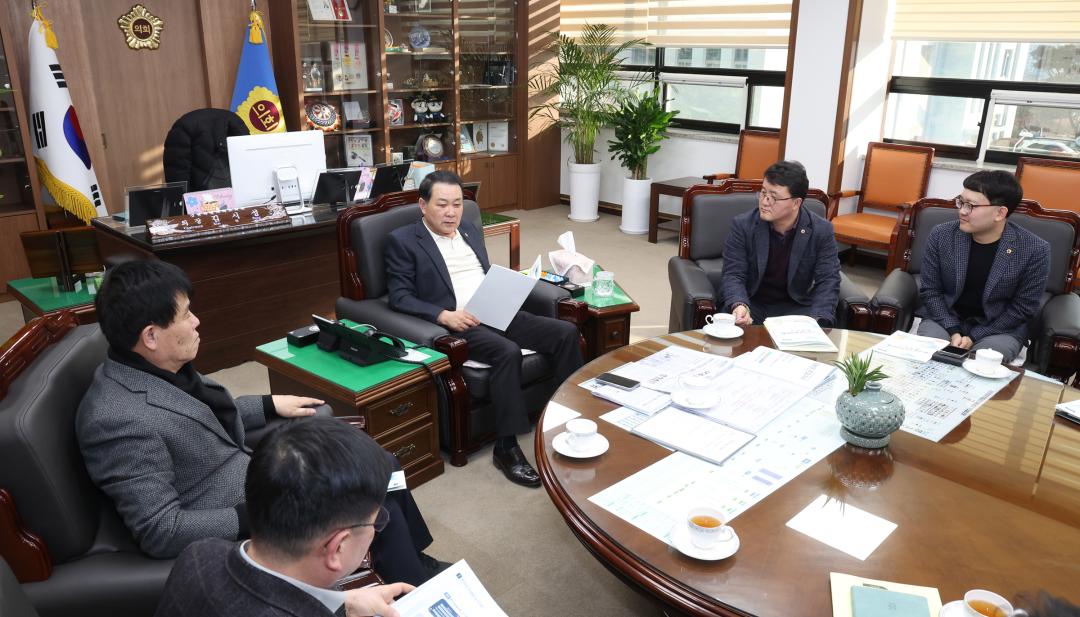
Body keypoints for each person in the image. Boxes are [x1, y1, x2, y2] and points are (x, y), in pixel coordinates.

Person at [76, 259, 446, 585]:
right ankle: (412, 583)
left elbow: (199, 417)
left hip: (257, 474)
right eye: (186, 314)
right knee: (364, 487)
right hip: (252, 512)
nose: (196, 321)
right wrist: (255, 515)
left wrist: (269, 404)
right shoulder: (116, 420)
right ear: (151, 336)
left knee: (383, 464)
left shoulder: (156, 363)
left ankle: (411, 561)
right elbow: (161, 530)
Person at [384, 171, 583, 487]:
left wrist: (508, 287)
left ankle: (567, 419)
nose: (451, 212)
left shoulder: (469, 230)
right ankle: (506, 448)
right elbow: (399, 297)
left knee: (565, 333)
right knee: (507, 352)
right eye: (442, 205)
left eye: (457, 204)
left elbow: (483, 272)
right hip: (459, 321)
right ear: (423, 205)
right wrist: (443, 315)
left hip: (495, 307)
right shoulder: (404, 241)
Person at [154, 417, 415, 617]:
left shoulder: (199, 554)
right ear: (337, 547)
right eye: (376, 521)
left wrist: (344, 605)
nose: (377, 528)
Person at [916, 170, 1049, 362]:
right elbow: (931, 291)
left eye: (971, 206)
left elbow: (1022, 308)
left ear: (1000, 212)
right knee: (931, 354)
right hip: (945, 317)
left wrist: (974, 336)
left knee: (984, 363)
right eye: (961, 202)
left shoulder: (1034, 249)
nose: (962, 211)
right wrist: (953, 330)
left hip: (999, 327)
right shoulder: (942, 235)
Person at [720, 160, 841, 326]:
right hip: (753, 303)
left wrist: (818, 320)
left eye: (774, 197)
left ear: (796, 203)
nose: (764, 201)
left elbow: (828, 280)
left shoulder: (821, 230)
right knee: (730, 324)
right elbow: (734, 274)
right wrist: (739, 304)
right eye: (763, 193)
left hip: (796, 308)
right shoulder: (742, 225)